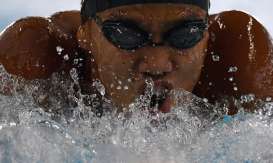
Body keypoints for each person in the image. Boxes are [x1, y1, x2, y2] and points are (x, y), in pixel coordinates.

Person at [0, 0, 272, 115]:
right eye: (126, 34)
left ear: (207, 35)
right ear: (85, 35)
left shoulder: (242, 61)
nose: (157, 64)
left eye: (186, 34)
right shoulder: (33, 56)